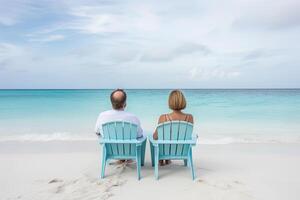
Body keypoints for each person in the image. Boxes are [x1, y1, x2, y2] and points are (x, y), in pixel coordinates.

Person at [153, 89, 194, 166]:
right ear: (183, 101)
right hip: (182, 151)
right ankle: (167, 160)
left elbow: (155, 137)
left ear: (170, 102)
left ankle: (163, 159)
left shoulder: (163, 117)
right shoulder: (189, 117)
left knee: (162, 138)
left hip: (166, 151)